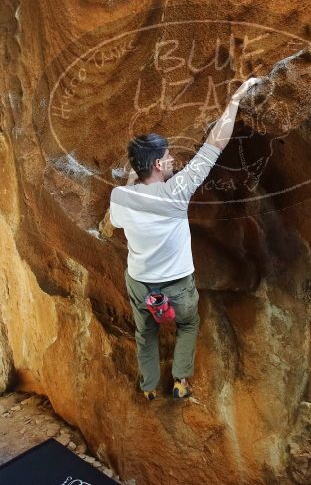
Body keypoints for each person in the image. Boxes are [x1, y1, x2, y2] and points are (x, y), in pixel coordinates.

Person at [110, 76, 263, 400]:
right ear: (155, 164)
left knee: (145, 333)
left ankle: (149, 387)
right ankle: (180, 381)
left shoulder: (120, 198)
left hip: (140, 282)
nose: (171, 161)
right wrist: (234, 101)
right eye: (166, 158)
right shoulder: (176, 191)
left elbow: (119, 219)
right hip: (177, 284)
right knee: (187, 325)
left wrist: (131, 179)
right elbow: (215, 145)